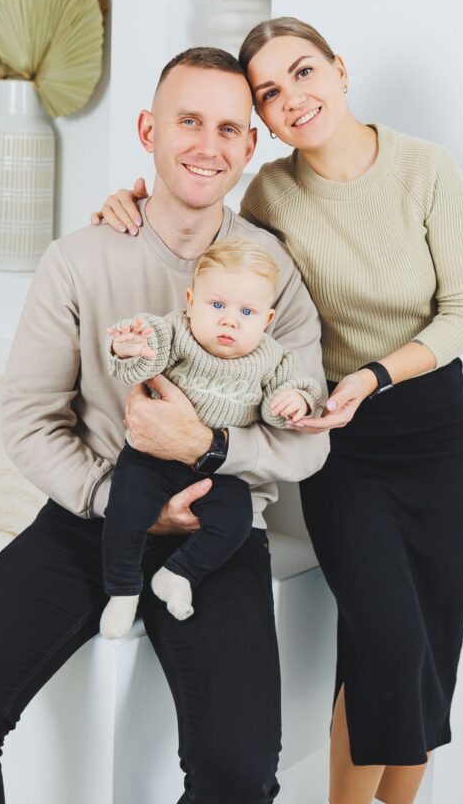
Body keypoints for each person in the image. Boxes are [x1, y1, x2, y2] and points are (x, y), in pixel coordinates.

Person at [0, 46, 329, 804]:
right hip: (89, 519)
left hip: (221, 534)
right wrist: (117, 500)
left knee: (238, 775)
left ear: (249, 147)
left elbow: (309, 442)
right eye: (189, 121)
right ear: (149, 129)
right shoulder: (79, 259)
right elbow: (31, 418)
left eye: (229, 129)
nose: (208, 145)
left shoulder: (274, 275)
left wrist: (209, 450)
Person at [94, 17, 463, 804]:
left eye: (304, 73)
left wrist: (374, 376)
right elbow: (208, 224)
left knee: (429, 647)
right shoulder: (271, 190)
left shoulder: (426, 169)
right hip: (338, 444)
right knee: (385, 637)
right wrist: (135, 192)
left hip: (435, 432)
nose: (292, 99)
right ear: (265, 119)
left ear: (340, 70)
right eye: (270, 93)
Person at [100, 237, 322, 638]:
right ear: (190, 301)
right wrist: (128, 346)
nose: (229, 321)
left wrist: (295, 402)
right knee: (126, 504)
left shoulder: (274, 358)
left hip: (215, 472)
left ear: (267, 320)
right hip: (152, 459)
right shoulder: (176, 332)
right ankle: (122, 590)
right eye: (217, 305)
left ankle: (178, 573)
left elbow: (278, 408)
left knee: (236, 517)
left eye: (247, 311)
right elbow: (139, 360)